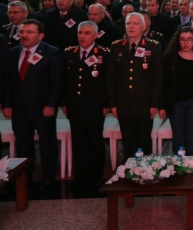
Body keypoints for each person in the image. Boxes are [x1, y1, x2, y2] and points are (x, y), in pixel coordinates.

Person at [2, 19, 63, 192]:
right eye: (22, 31)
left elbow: (57, 82)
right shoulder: (12, 53)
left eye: (29, 32)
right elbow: (7, 81)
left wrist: (51, 104)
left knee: (47, 144)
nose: (24, 35)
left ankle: (48, 177)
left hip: (43, 108)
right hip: (18, 108)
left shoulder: (52, 53)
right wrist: (6, 104)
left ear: (41, 35)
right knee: (23, 144)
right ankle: (24, 176)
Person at [106, 12, 163, 159]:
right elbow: (111, 78)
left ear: (144, 27)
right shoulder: (116, 46)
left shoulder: (153, 46)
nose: (131, 26)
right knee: (128, 142)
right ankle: (129, 175)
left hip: (144, 103)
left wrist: (155, 103)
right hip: (123, 103)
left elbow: (158, 78)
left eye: (136, 23)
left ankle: (146, 175)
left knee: (144, 141)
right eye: (128, 23)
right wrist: (112, 104)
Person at [63, 21, 110, 190]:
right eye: (80, 32)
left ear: (96, 35)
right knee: (79, 141)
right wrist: (64, 102)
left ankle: (97, 175)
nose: (82, 36)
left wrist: (107, 103)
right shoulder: (69, 53)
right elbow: (65, 81)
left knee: (95, 141)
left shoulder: (104, 53)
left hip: (95, 105)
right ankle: (81, 174)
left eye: (87, 33)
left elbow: (108, 82)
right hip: (75, 105)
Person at [159, 27, 193, 155]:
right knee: (178, 135)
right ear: (178, 41)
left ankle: (191, 165)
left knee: (191, 135)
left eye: (189, 39)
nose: (186, 43)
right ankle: (179, 165)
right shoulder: (169, 58)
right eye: (182, 39)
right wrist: (162, 106)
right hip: (176, 103)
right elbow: (163, 84)